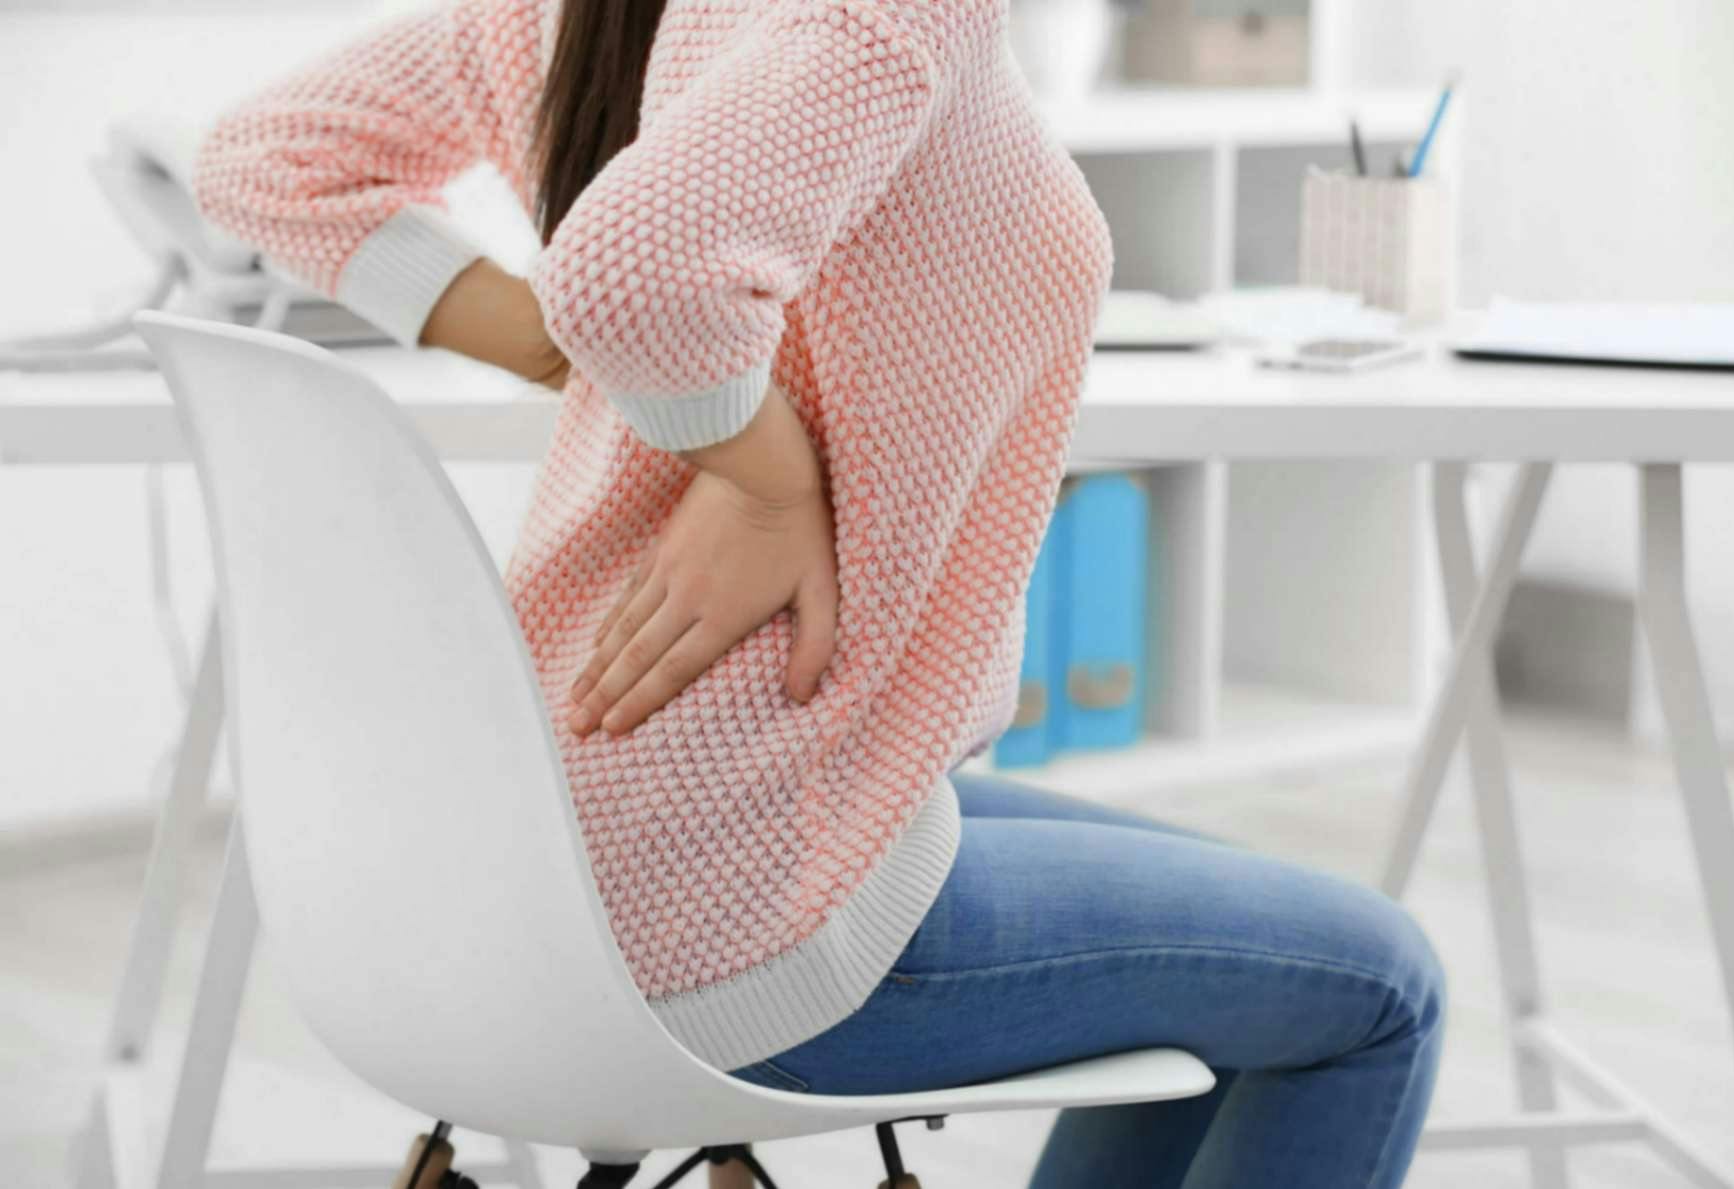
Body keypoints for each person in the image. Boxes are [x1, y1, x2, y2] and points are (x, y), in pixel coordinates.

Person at [191, 0, 1445, 1183]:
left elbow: (262, 157)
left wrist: (556, 346)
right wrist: (761, 477)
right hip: (738, 887)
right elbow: (630, 278)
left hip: (560, 860)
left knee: (1248, 955)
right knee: (1383, 985)